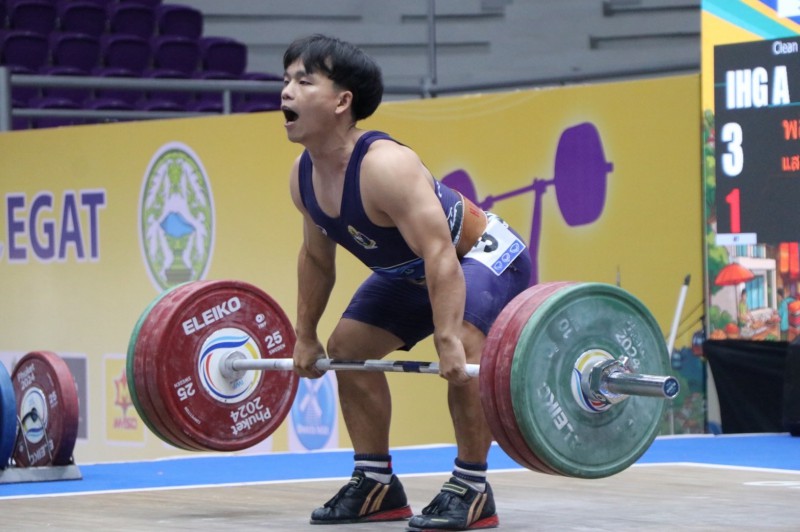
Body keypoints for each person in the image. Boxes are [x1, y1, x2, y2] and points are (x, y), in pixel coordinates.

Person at [282, 34, 531, 531]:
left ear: (342, 102)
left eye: (304, 82)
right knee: (347, 348)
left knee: (465, 342)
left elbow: (440, 253)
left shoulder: (385, 166)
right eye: (285, 80)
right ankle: (375, 483)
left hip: (484, 258)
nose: (286, 91)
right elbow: (316, 259)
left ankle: (472, 486)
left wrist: (447, 338)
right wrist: (304, 334)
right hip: (412, 274)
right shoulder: (303, 175)